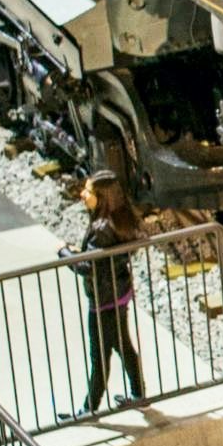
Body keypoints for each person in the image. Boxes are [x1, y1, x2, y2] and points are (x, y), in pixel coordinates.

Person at [70, 167, 150, 417]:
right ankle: (139, 395)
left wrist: (65, 253)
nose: (84, 194)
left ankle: (89, 408)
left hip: (103, 300)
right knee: (123, 345)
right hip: (119, 293)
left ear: (102, 196)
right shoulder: (121, 218)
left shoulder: (102, 227)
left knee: (99, 355)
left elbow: (86, 267)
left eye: (89, 191)